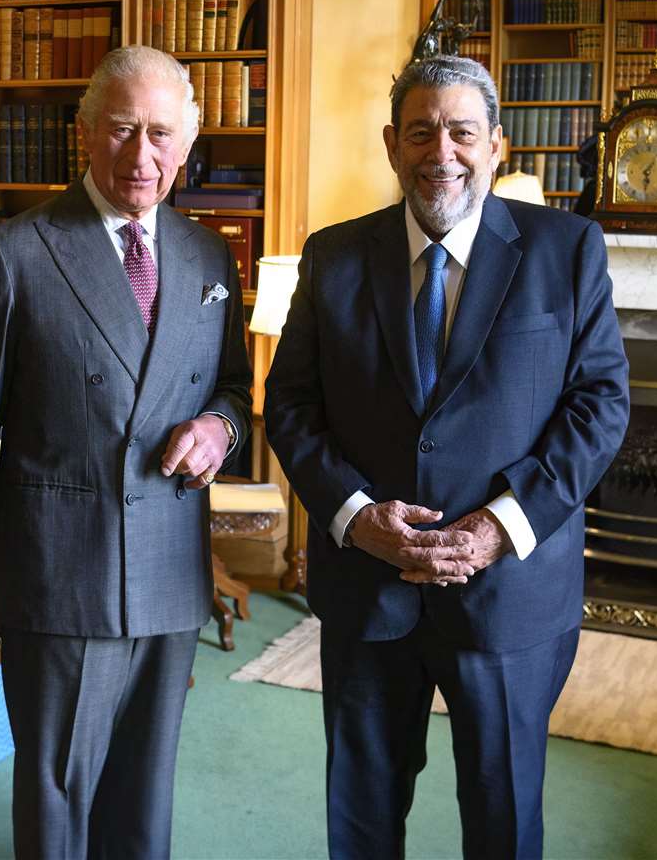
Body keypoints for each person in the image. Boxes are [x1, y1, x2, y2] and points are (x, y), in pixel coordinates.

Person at [264, 54, 630, 860]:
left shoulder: (567, 250)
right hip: (370, 591)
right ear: (392, 144)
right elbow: (290, 404)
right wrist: (357, 518)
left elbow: (600, 406)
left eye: (463, 132)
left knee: (502, 822)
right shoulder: (334, 257)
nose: (443, 152)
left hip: (508, 595)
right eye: (422, 132)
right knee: (361, 818)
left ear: (497, 144)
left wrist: (499, 528)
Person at [0, 45, 252, 859]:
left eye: (161, 134)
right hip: (59, 571)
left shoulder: (208, 255)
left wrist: (220, 427)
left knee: (143, 798)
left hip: (171, 569)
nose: (141, 155)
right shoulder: (16, 252)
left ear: (188, 145)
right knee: (58, 795)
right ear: (84, 134)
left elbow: (235, 390)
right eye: (122, 130)